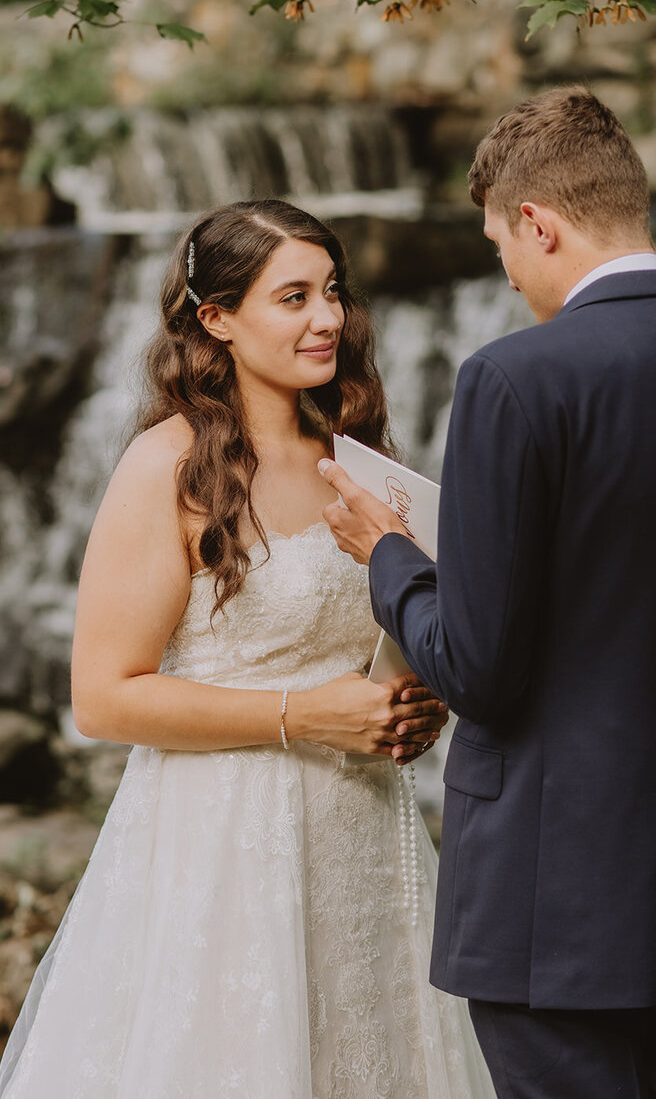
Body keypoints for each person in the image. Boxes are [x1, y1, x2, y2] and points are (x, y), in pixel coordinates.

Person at [0, 199, 495, 1098]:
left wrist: (412, 699)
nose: (328, 317)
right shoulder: (167, 465)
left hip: (366, 838)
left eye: (332, 291)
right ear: (216, 319)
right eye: (293, 296)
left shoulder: (357, 460)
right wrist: (306, 714)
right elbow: (104, 696)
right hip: (223, 843)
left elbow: (392, 628)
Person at [319, 87, 656, 1099]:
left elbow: (478, 667)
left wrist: (387, 556)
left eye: (498, 249)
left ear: (535, 224)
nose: (505, 278)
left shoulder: (516, 379)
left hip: (561, 898)